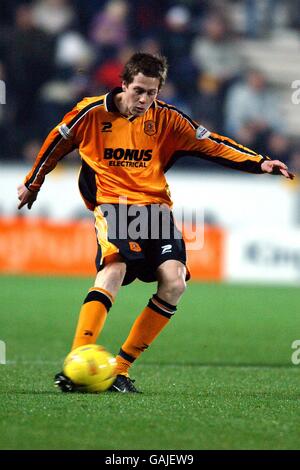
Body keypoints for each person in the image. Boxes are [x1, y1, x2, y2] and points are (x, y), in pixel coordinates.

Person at [17, 53, 294, 393]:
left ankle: (119, 369)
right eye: (138, 91)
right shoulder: (91, 113)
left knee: (175, 283)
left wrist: (260, 163)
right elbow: (56, 143)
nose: (144, 100)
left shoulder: (167, 119)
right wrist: (34, 182)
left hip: (155, 211)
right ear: (123, 84)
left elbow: (213, 144)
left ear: (159, 90)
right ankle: (78, 359)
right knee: (114, 269)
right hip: (114, 206)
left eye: (152, 93)